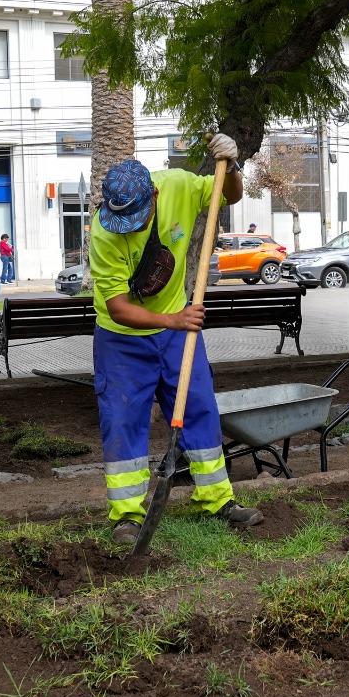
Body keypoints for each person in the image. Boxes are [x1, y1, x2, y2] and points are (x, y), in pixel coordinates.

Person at [90, 136, 263, 545]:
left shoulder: (179, 185)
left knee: (200, 409)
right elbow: (118, 308)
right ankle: (127, 517)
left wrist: (232, 162)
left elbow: (229, 195)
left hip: (175, 333)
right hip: (122, 339)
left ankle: (218, 501)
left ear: (153, 193)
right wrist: (176, 317)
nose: (128, 228)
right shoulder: (104, 233)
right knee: (123, 420)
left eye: (137, 217)